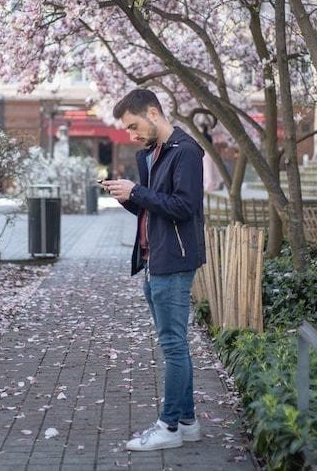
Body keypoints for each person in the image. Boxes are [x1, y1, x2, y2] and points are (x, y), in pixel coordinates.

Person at [101, 88, 206, 451]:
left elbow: (184, 207)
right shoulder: (150, 154)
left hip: (174, 263)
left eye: (133, 126)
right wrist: (128, 197)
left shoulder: (186, 151)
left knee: (173, 347)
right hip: (154, 260)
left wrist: (138, 193)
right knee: (175, 345)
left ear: (153, 112)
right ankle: (188, 423)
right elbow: (154, 209)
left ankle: (169, 427)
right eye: (128, 131)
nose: (131, 136)